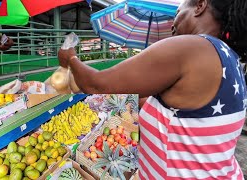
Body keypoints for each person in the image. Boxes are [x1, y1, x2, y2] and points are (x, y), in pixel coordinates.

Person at [58, 0, 247, 179]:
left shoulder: (192, 47)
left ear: (200, 5)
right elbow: (182, 118)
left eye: (177, 13)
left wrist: (71, 59)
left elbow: (96, 85)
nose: (173, 24)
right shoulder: (230, 60)